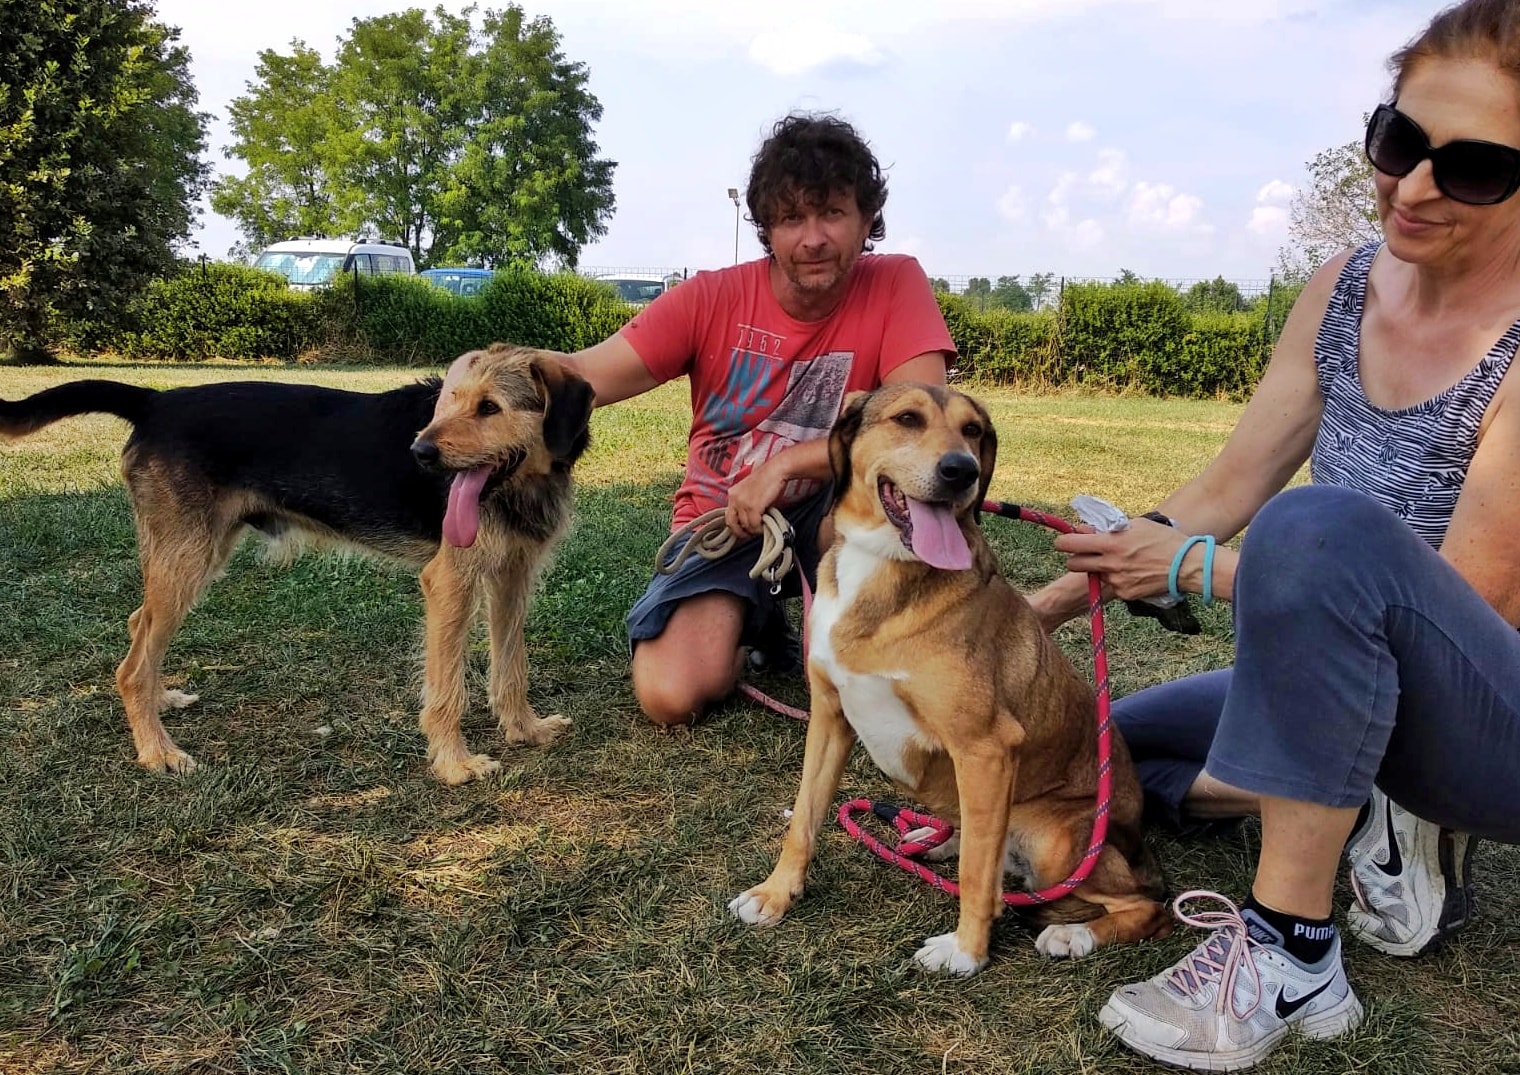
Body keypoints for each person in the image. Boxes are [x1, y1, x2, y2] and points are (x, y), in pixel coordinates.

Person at [1028, 0, 1520, 1068]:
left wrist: (1191, 567)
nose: (1414, 186)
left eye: (1474, 168)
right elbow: (1228, 481)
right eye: (1399, 141)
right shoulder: (1341, 287)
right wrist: (1037, 611)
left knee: (1317, 524)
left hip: (1491, 717)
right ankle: (1356, 800)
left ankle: (1292, 953)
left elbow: (1468, 604)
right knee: (1104, 752)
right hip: (1341, 693)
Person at [564, 113, 955, 727]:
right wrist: (485, 370)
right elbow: (584, 374)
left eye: (832, 213)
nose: (813, 238)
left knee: (894, 528)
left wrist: (787, 465)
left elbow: (924, 428)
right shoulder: (711, 297)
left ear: (866, 220)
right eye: (791, 218)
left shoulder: (896, 282)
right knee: (671, 695)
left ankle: (860, 619)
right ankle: (755, 613)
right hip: (728, 514)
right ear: (767, 227)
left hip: (838, 506)